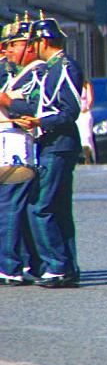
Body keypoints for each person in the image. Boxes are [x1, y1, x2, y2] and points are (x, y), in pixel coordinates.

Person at [1, 16, 85, 287]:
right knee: (56, 208)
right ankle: (66, 266)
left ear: (44, 41)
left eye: (34, 42)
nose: (31, 47)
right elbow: (40, 104)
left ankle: (58, 266)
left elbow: (69, 110)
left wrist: (39, 122)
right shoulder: (52, 68)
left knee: (41, 206)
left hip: (59, 143)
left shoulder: (64, 66)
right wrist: (28, 114)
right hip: (50, 142)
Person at [0, 18, 43, 285]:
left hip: (14, 142)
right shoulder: (16, 72)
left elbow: (33, 107)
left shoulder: (37, 71)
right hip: (7, 139)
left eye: (15, 45)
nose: (10, 52)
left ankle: (9, 265)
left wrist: (5, 100)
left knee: (10, 205)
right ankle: (29, 262)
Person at [76, 79, 95, 164]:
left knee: (87, 136)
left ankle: (89, 157)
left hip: (85, 114)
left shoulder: (86, 85)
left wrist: (86, 108)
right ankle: (80, 157)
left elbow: (90, 99)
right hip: (76, 115)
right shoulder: (73, 85)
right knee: (79, 136)